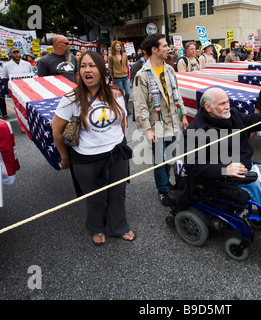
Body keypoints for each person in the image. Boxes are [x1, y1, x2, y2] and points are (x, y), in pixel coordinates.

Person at [183, 87, 261, 255]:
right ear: (208, 107)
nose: (227, 106)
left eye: (227, 102)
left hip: (245, 165)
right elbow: (192, 166)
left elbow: (254, 119)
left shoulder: (232, 115)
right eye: (222, 104)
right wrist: (224, 169)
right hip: (220, 177)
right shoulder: (194, 131)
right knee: (253, 185)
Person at [52, 51, 135, 245]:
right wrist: (64, 157)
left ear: (101, 69)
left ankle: (118, 227)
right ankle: (97, 227)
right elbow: (56, 131)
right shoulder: (71, 98)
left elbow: (122, 121)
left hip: (116, 155)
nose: (87, 70)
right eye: (83, 66)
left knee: (117, 194)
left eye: (92, 65)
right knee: (95, 198)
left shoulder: (115, 92)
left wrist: (119, 141)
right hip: (86, 159)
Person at [133, 34, 188, 206]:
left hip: (172, 120)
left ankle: (166, 183)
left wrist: (183, 115)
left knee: (170, 155)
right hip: (155, 123)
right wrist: (146, 129)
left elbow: (177, 94)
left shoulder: (170, 70)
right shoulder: (142, 75)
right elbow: (140, 104)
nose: (168, 48)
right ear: (154, 50)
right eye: (164, 46)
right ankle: (163, 189)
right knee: (160, 159)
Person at [108, 41, 131, 112]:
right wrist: (112, 77)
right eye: (117, 46)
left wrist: (127, 73)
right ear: (114, 47)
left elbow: (126, 65)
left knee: (128, 93)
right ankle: (123, 107)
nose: (118, 47)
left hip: (125, 76)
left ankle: (125, 105)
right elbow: (110, 67)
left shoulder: (124, 55)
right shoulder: (111, 56)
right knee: (121, 94)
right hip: (117, 77)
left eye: (119, 46)